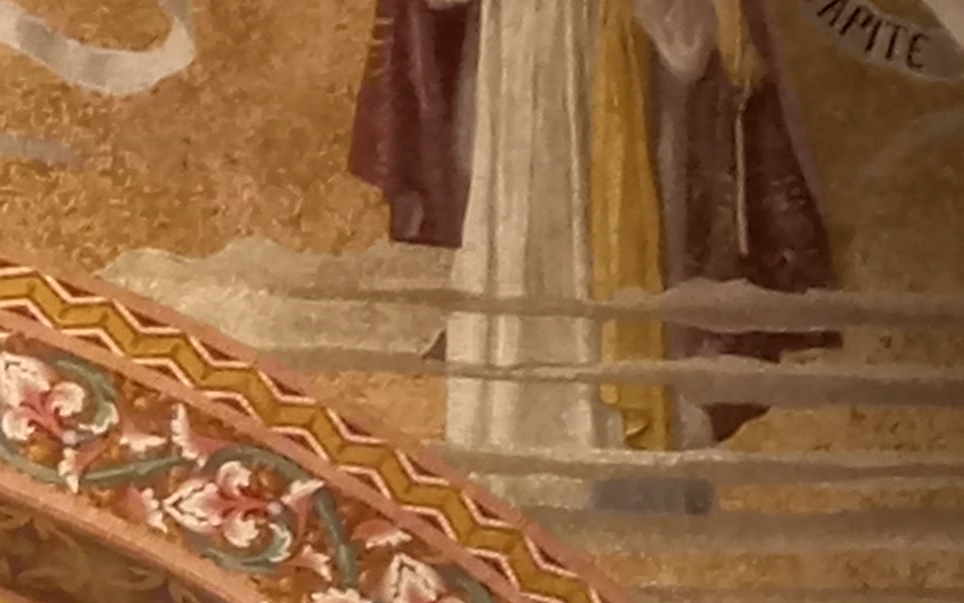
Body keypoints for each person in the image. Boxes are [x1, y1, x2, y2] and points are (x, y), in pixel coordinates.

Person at [351, 0, 830, 476]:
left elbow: (694, 43)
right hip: (523, 57)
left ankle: (617, 437)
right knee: (528, 236)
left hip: (613, 56)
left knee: (610, 235)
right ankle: (520, 438)